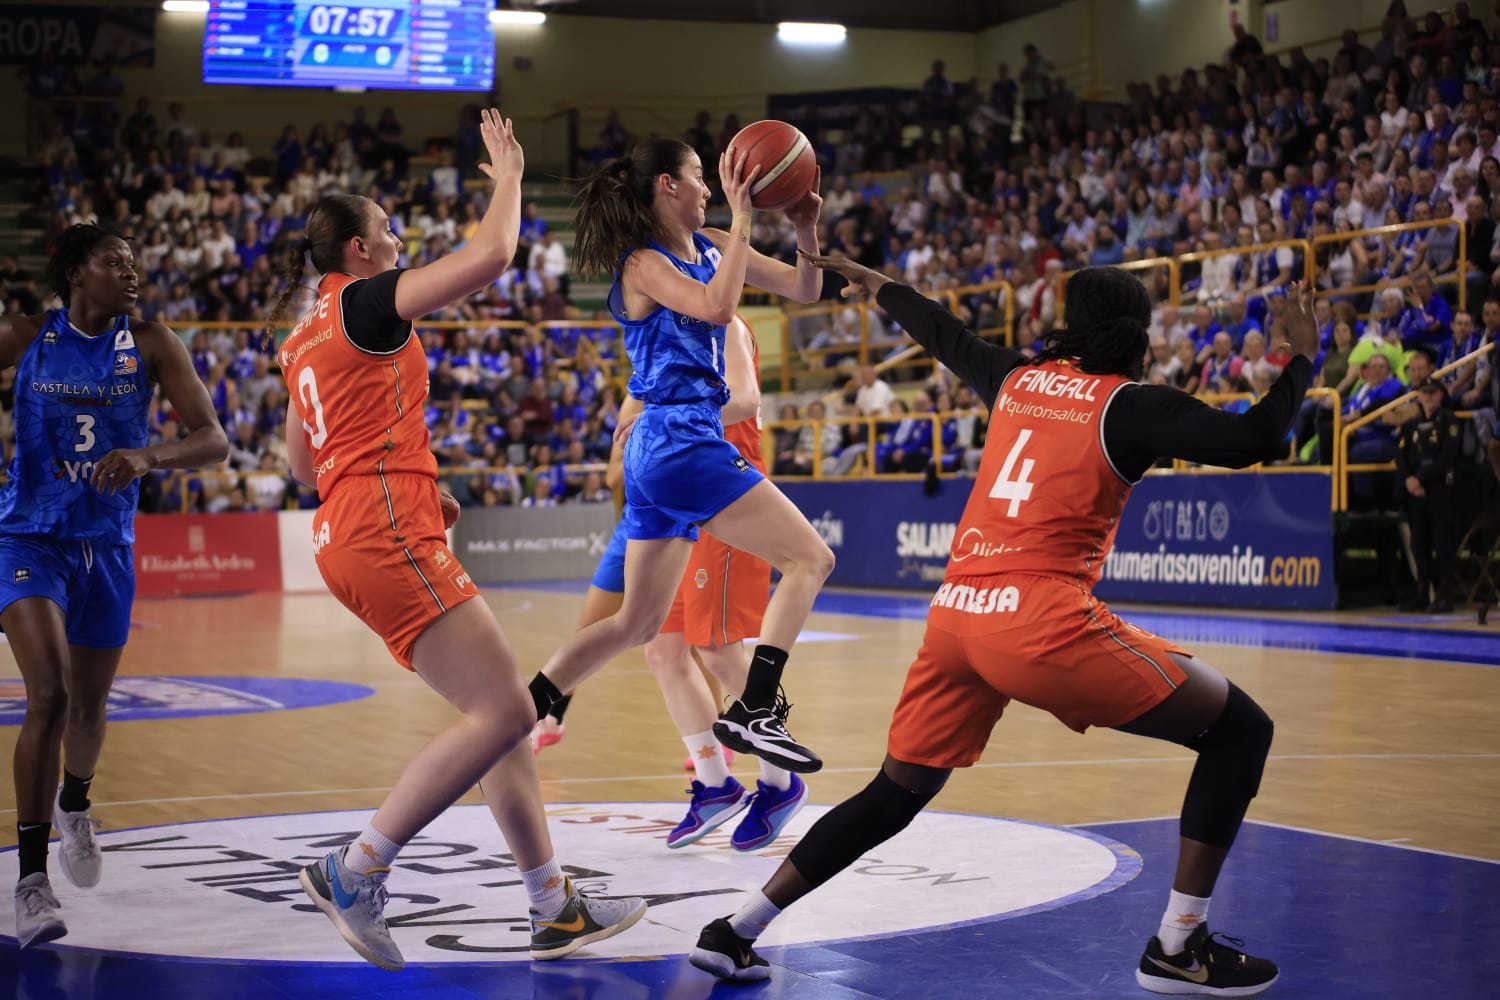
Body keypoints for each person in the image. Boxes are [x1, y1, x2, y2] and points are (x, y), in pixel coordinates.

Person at [691, 260, 1319, 999]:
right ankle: (1179, 947)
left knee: (894, 793)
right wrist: (1301, 356)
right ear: (1133, 334)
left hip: (956, 618)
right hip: (1039, 622)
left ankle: (736, 930)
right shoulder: (1131, 404)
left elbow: (941, 332)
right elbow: (1255, 439)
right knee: (1241, 730)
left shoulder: (1018, 381)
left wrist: (876, 282)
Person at [270, 110, 645, 971]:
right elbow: (489, 259)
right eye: (388, 230)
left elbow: (302, 459)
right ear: (357, 254)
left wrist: (396, 476)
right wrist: (508, 178)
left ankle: (552, 906)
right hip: (382, 524)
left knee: (499, 718)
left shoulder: (302, 337)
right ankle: (355, 869)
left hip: (344, 529)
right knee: (512, 710)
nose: (398, 239)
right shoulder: (367, 301)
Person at [527, 138, 834, 774]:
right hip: (682, 439)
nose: (709, 189)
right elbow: (717, 306)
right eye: (700, 177)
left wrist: (805, 225)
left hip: (662, 449)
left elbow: (805, 289)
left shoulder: (717, 243)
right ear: (667, 185)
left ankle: (520, 714)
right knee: (811, 557)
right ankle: (757, 708)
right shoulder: (642, 263)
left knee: (634, 626)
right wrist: (746, 218)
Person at [2, 224, 229, 947]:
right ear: (75, 272)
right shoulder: (25, 336)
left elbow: (214, 439)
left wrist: (148, 454)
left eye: (134, 263)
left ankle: (76, 803)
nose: (130, 273)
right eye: (113, 261)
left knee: (90, 710)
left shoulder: (154, 343)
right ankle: (32, 883)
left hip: (107, 547)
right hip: (28, 536)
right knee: (51, 693)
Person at [640, 316, 808, 852]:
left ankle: (780, 784)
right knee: (663, 648)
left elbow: (746, 397)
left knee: (717, 650)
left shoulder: (724, 324)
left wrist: (671, 417)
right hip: (677, 487)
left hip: (726, 485)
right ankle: (714, 785)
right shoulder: (660, 328)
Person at [1397, 380, 1461, 612]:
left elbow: (1447, 456)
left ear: (1440, 396)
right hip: (1415, 491)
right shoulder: (1412, 424)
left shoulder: (1449, 421)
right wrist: (1409, 480)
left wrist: (1421, 480)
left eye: (1432, 393)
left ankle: (1445, 594)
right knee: (1419, 542)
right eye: (1424, 393)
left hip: (1439, 489)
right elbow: (1401, 456)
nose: (1428, 397)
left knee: (1442, 542)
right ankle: (1422, 592)